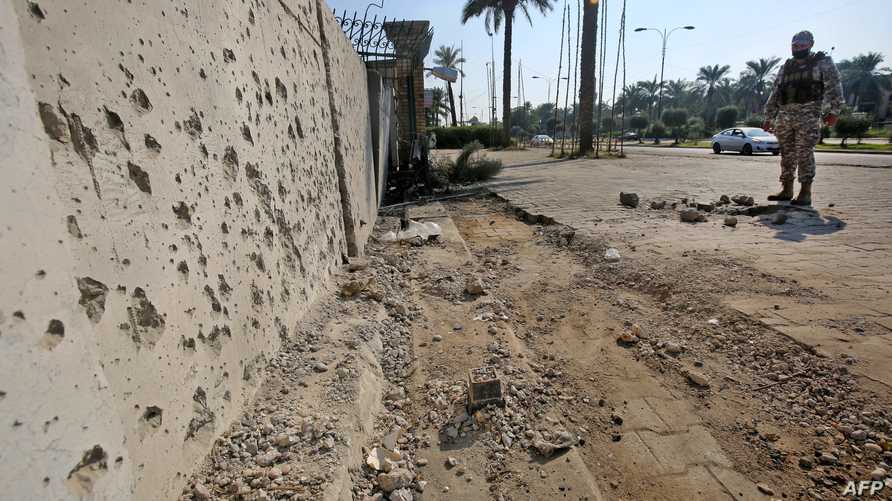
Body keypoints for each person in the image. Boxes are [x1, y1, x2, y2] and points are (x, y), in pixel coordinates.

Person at [762, 31, 844, 206]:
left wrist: (834, 111)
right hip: (784, 116)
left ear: (810, 44)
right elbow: (775, 92)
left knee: (804, 153)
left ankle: (805, 192)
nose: (797, 48)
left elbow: (834, 86)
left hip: (808, 114)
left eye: (801, 45)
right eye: (794, 45)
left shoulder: (822, 62)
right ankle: (786, 189)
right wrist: (769, 116)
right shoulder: (786, 67)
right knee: (786, 154)